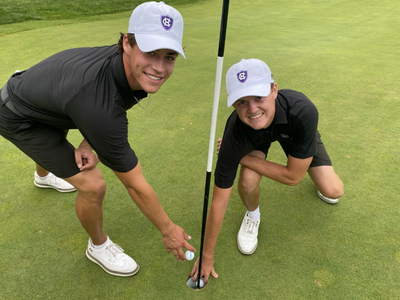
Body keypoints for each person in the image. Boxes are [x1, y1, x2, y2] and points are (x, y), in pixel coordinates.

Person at [0, 1, 195, 277]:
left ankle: (43, 177)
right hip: (20, 117)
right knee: (93, 185)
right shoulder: (97, 105)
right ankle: (98, 246)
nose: (159, 67)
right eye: (150, 52)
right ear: (127, 43)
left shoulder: (122, 68)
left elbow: (102, 101)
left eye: (170, 57)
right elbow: (136, 185)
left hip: (45, 101)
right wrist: (169, 230)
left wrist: (87, 142)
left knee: (62, 125)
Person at [190, 58, 343, 284]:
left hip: (293, 132)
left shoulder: (302, 111)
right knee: (248, 181)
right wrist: (206, 255)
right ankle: (253, 216)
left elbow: (293, 177)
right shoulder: (235, 135)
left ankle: (305, 156)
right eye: (241, 102)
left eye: (258, 97)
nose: (252, 109)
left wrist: (241, 157)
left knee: (333, 191)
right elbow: (219, 201)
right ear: (233, 104)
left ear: (274, 89)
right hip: (253, 140)